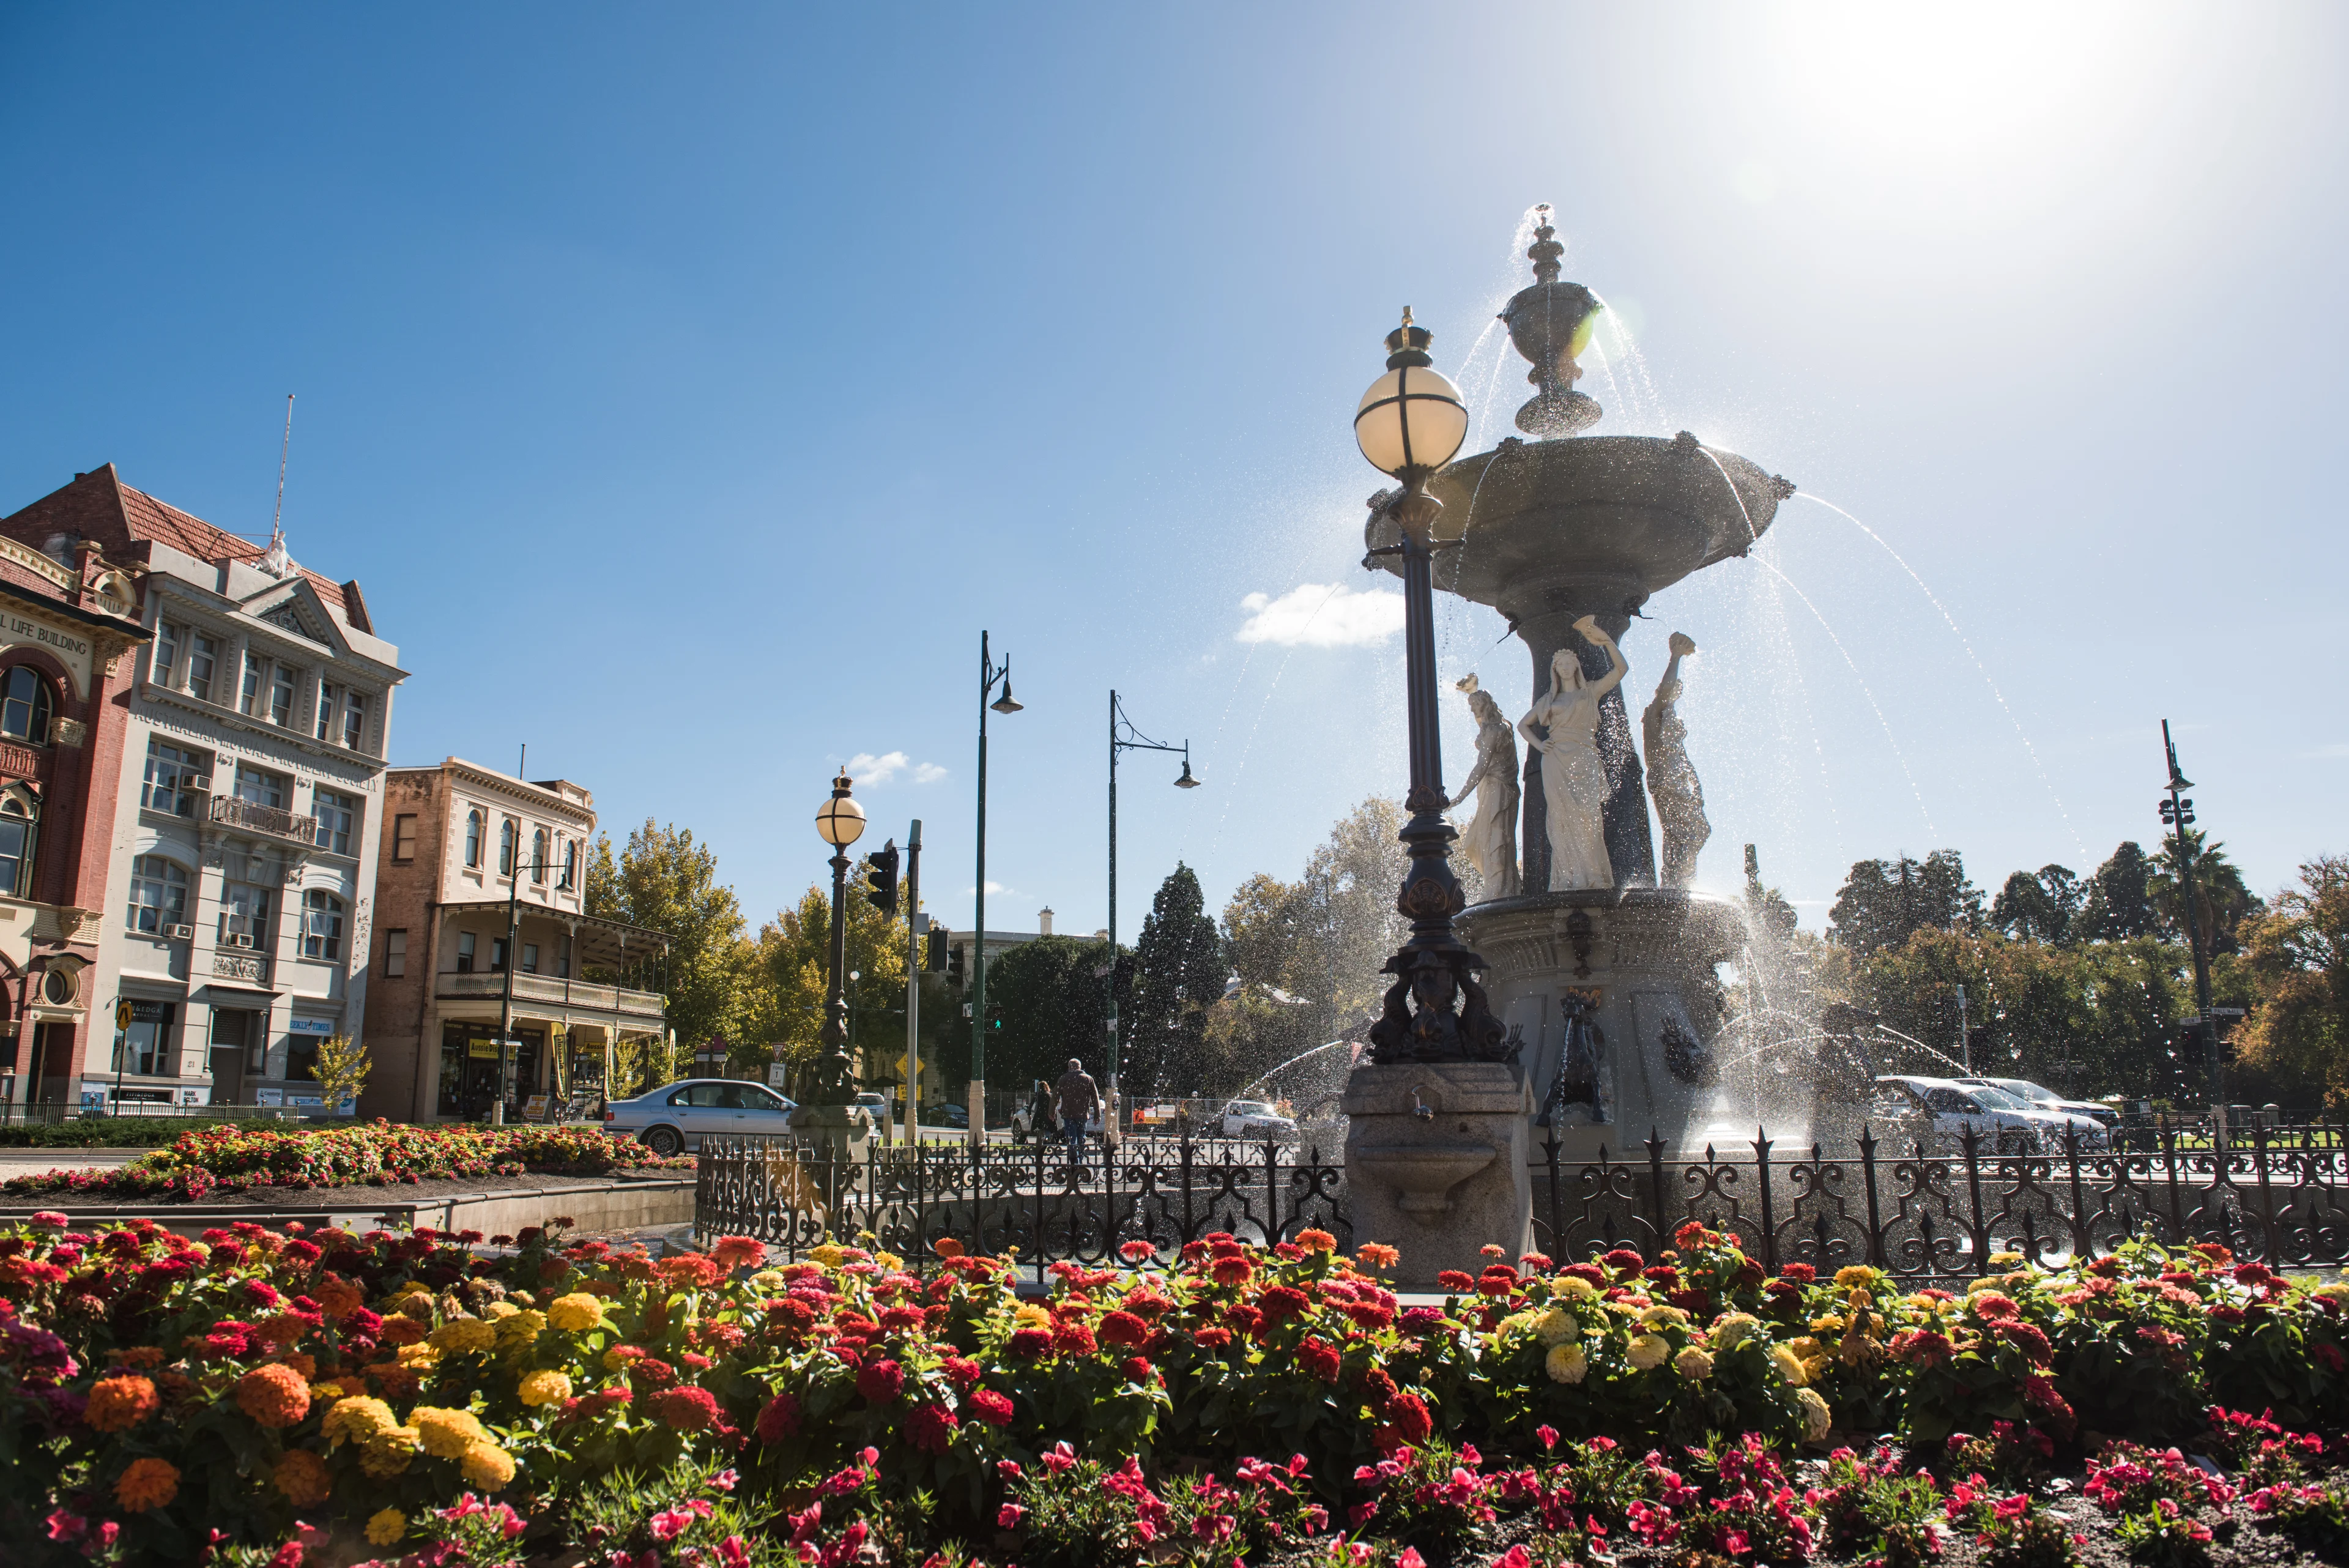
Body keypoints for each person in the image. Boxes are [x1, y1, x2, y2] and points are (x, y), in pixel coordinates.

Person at [1518, 615, 1628, 891]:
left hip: (1584, 755)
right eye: (1561, 665)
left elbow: (1621, 669)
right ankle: (1569, 877)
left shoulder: (1590, 693)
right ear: (1555, 670)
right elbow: (1523, 725)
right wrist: (1540, 745)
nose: (1566, 668)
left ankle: (1593, 875)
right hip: (1555, 761)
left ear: (1576, 667)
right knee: (1562, 818)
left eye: (1570, 664)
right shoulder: (1549, 701)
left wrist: (1607, 642)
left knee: (1589, 817)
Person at [1055, 1057, 1100, 1164]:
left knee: (1071, 1138)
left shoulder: (1064, 1078)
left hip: (1068, 1114)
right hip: (1083, 1114)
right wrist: (1097, 1114)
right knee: (1081, 1138)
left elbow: (1055, 1096)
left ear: (1070, 1067)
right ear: (1080, 1067)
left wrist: (1051, 1112)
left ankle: (1074, 1161)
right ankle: (1080, 1159)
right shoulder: (1088, 1079)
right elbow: (1095, 1097)